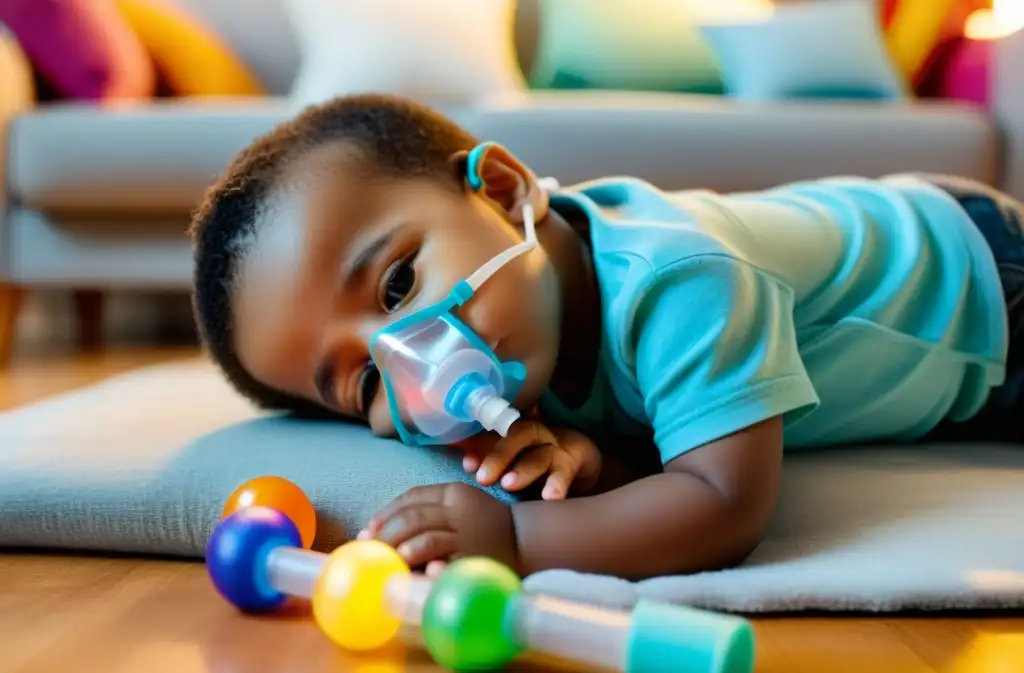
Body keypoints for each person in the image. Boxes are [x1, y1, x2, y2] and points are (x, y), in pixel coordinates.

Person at [190, 93, 1024, 580]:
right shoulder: (520, 331)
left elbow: (724, 503)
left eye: (400, 281)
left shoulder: (680, 280)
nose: (412, 357)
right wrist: (596, 469)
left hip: (981, 280)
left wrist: (520, 537)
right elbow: (666, 447)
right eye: (365, 385)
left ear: (503, 190)